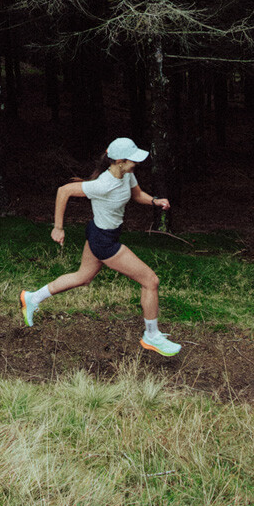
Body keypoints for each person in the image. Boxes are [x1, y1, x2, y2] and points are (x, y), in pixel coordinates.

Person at [18, 137, 180, 357]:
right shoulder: (104, 184)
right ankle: (151, 335)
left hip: (99, 233)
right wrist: (58, 228)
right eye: (133, 160)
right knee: (151, 281)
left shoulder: (127, 174)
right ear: (120, 161)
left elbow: (137, 195)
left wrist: (155, 201)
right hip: (104, 241)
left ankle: (32, 298)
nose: (137, 163)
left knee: (82, 277)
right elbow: (63, 191)